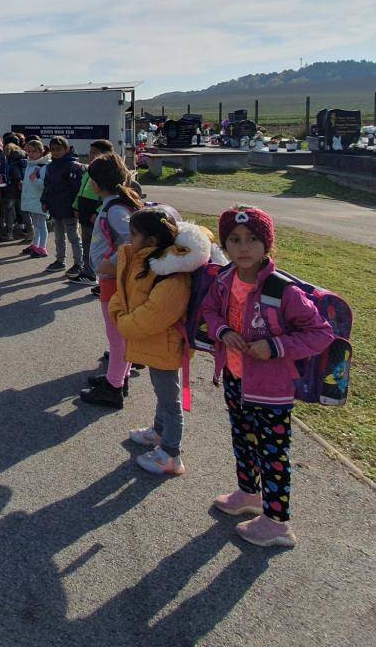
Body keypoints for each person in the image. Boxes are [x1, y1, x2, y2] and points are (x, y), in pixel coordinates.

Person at [202, 205, 334, 548]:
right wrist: (222, 331)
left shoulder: (282, 291)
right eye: (235, 239)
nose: (243, 247)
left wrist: (275, 346)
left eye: (252, 239)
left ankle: (277, 523)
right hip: (235, 378)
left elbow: (321, 334)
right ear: (225, 245)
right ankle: (249, 494)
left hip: (271, 389)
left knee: (273, 455)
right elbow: (210, 312)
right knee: (242, 439)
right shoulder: (224, 280)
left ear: (267, 245)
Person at [105, 210, 213, 471]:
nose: (128, 240)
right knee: (161, 392)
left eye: (133, 235)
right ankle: (158, 431)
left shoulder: (172, 276)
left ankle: (171, 454)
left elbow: (153, 315)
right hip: (154, 344)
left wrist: (123, 323)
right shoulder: (147, 263)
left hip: (165, 345)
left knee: (170, 401)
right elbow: (125, 292)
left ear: (152, 240)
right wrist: (119, 311)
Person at [81, 152, 143, 406]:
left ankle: (114, 386)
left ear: (96, 183)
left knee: (116, 335)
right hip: (112, 278)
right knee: (118, 334)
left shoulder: (116, 209)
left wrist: (113, 262)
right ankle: (118, 375)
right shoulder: (114, 205)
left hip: (114, 279)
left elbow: (134, 240)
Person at [71, 139, 112, 286]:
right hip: (84, 210)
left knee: (98, 247)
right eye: (91, 152)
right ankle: (87, 272)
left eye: (95, 153)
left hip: (95, 214)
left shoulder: (106, 172)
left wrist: (98, 212)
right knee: (87, 243)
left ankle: (100, 277)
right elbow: (80, 191)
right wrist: (76, 207)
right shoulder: (89, 169)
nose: (91, 155)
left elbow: (108, 196)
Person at [40, 136, 84, 276]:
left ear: (66, 149)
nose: (56, 152)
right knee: (58, 237)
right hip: (55, 207)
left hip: (69, 208)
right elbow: (47, 186)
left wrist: (76, 207)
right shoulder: (51, 166)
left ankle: (79, 263)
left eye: (59, 149)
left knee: (73, 237)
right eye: (53, 150)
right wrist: (44, 201)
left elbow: (78, 189)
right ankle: (60, 261)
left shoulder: (74, 166)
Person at [19, 138, 50, 257]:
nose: (31, 154)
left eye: (34, 152)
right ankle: (35, 245)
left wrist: (35, 180)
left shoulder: (44, 166)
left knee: (41, 225)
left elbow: (45, 184)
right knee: (36, 225)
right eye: (29, 151)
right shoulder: (30, 164)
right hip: (32, 199)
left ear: (41, 152)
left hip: (39, 201)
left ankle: (42, 248)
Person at [2, 136, 28, 240]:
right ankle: (29, 230)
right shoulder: (24, 158)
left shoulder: (11, 161)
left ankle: (9, 233)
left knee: (9, 211)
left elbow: (15, 174)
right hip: (23, 189)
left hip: (11, 189)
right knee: (24, 211)